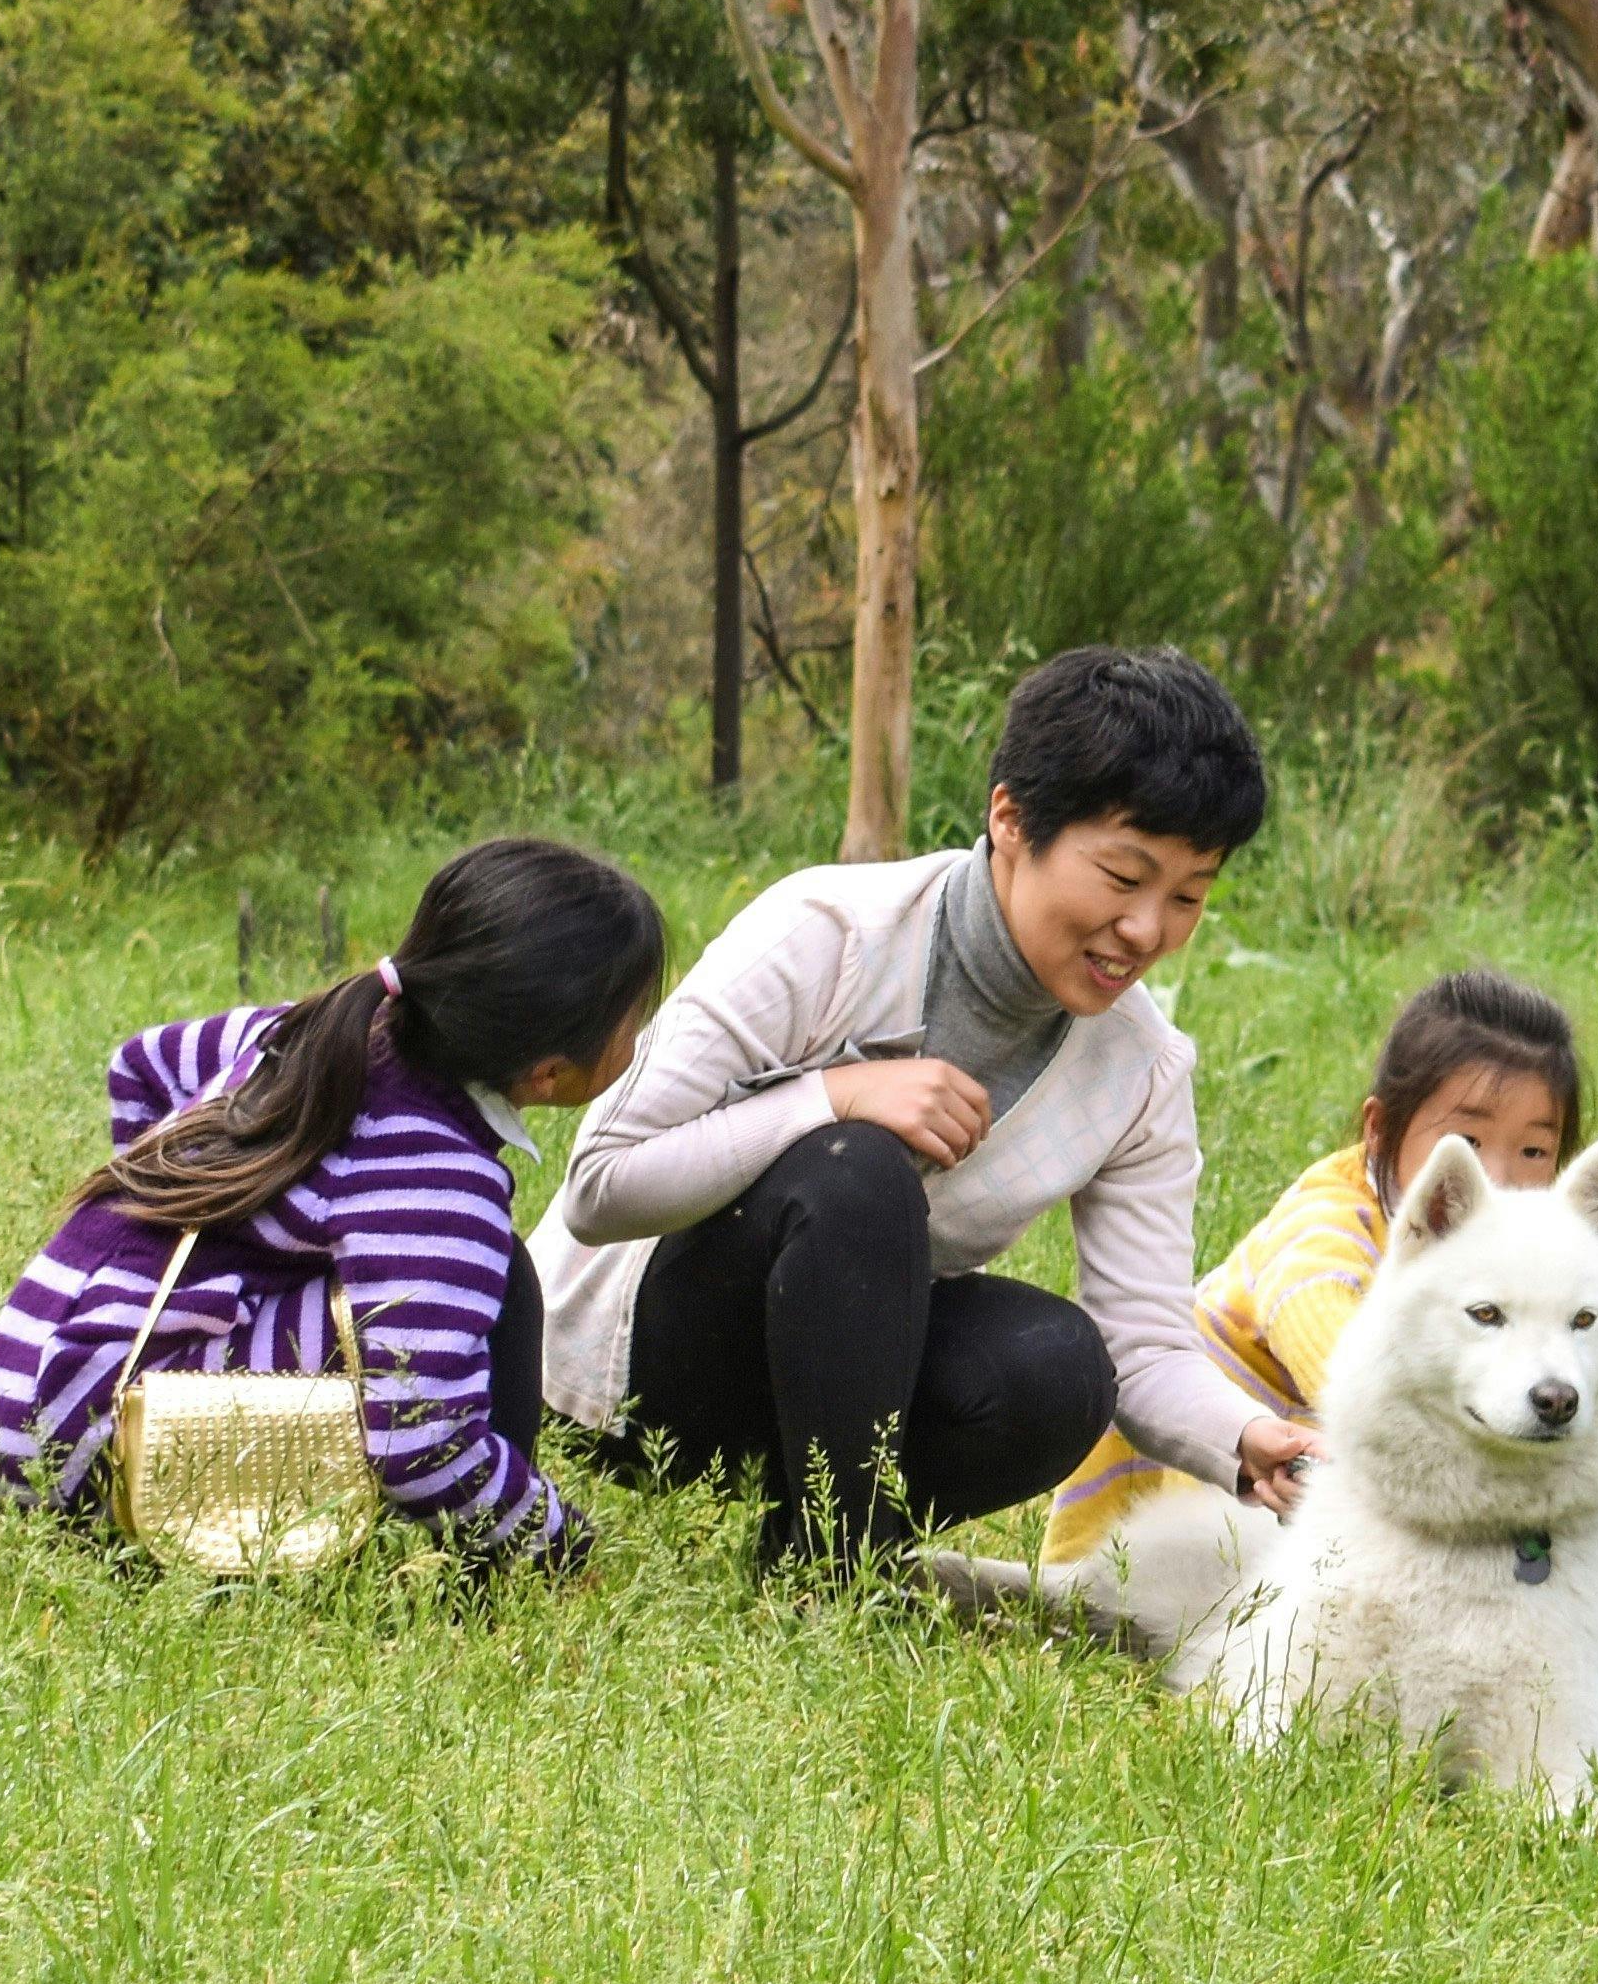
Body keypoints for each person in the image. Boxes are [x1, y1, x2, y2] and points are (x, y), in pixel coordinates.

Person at [538, 648, 1296, 1570]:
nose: (1147, 930)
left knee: (1062, 1369)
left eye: (1188, 895)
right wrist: (832, 1096)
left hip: (834, 1392)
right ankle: (840, 1569)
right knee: (855, 1170)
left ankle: (805, 1544)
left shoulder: (1140, 1068)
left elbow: (1142, 1346)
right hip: (634, 1370)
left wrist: (1248, 1436)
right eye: (1124, 878)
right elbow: (599, 1183)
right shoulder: (826, 933)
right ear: (1011, 818)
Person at [0, 837, 666, 1569]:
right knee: (491, 1292)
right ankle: (485, 1577)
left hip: (18, 1409)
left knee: (469, 1281)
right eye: (633, 1019)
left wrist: (165, 1218)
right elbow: (423, 1444)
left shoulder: (301, 1031)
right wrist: (563, 1547)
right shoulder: (436, 1173)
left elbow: (140, 1064)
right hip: (102, 1466)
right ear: (550, 1071)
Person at [1027, 966, 1586, 1642]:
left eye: (1534, 1150)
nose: (1497, 1175)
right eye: (1465, 1143)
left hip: (1318, 1481)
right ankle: (1067, 1606)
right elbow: (1334, 1345)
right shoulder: (1326, 1223)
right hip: (1196, 1484)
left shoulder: (1524, 1254)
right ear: (1381, 1130)